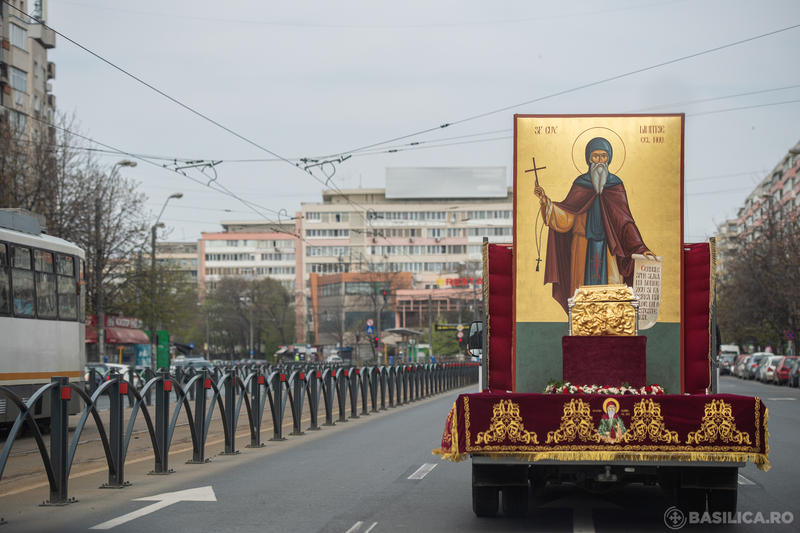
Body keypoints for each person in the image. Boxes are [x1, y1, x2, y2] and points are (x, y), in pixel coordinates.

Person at [534, 137, 656, 314]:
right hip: (582, 244)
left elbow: (625, 221)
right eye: (596, 156)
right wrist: (545, 201)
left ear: (610, 158)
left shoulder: (616, 185)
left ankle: (611, 320)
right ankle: (582, 320)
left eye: (604, 156)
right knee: (581, 289)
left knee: (611, 288)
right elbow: (568, 215)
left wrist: (640, 247)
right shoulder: (580, 184)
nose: (600, 161)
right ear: (588, 159)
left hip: (609, 248)